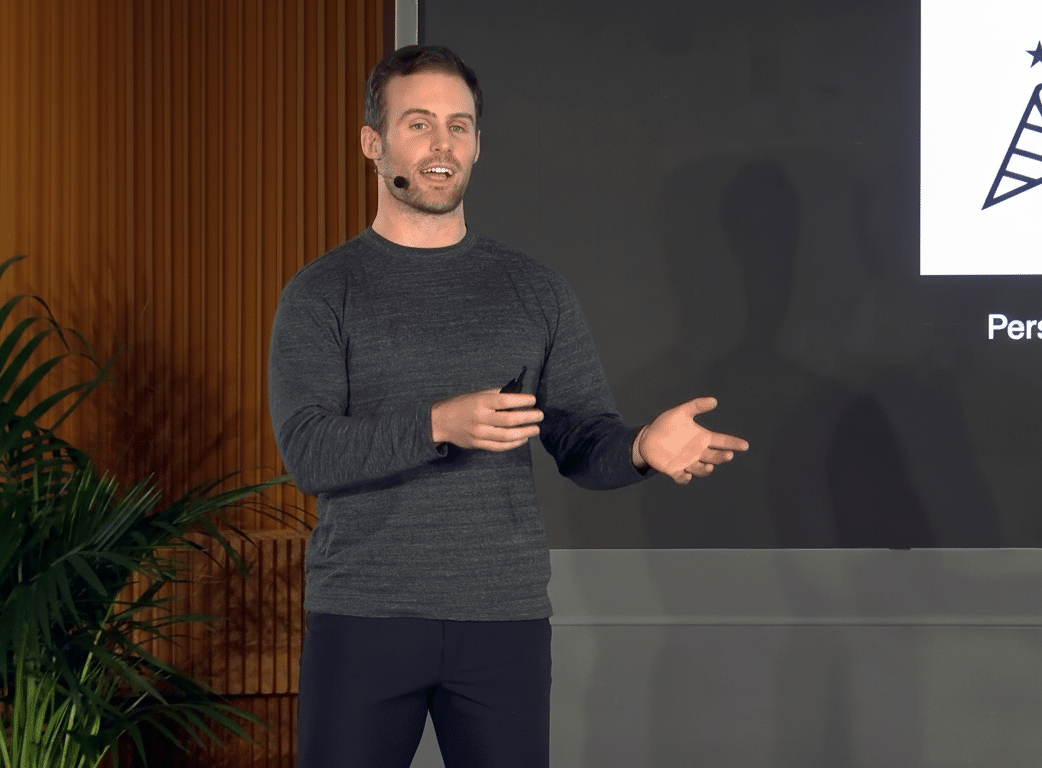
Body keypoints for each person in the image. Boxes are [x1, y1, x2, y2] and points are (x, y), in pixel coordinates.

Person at [267, 44, 749, 768]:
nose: (441, 144)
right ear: (373, 143)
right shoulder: (321, 293)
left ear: (478, 145)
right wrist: (437, 424)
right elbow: (309, 452)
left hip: (502, 621)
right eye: (419, 124)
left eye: (459, 126)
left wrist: (642, 446)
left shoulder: (535, 289)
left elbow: (582, 440)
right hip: (364, 617)